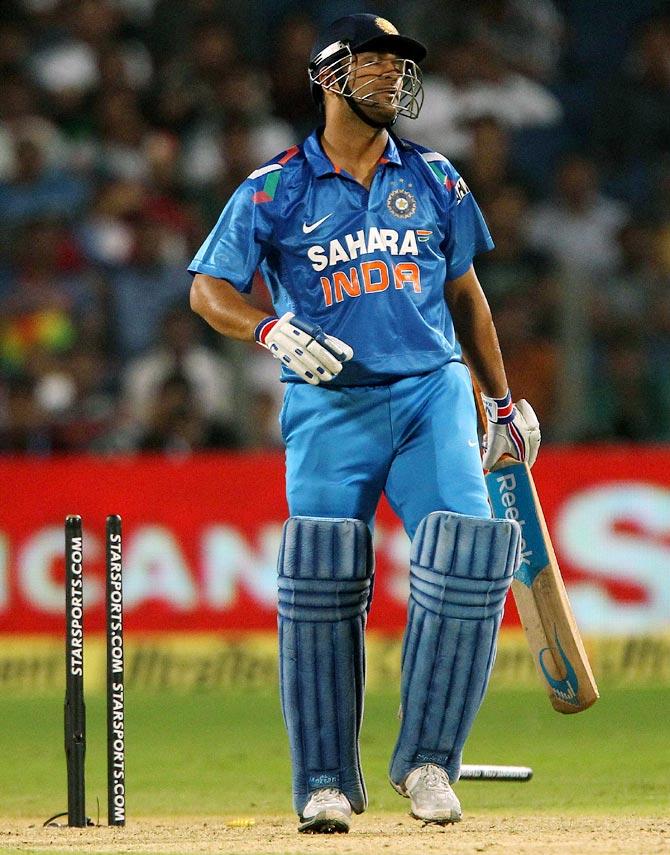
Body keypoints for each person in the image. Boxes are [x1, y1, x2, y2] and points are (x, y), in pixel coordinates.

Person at [189, 13, 540, 834]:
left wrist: (499, 400)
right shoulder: (274, 187)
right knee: (319, 573)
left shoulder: (438, 179)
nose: (390, 76)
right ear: (326, 76)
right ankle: (323, 781)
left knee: (470, 551)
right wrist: (267, 328)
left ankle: (427, 764)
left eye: (398, 65)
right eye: (373, 62)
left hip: (430, 392)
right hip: (328, 405)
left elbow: (465, 296)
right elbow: (208, 288)